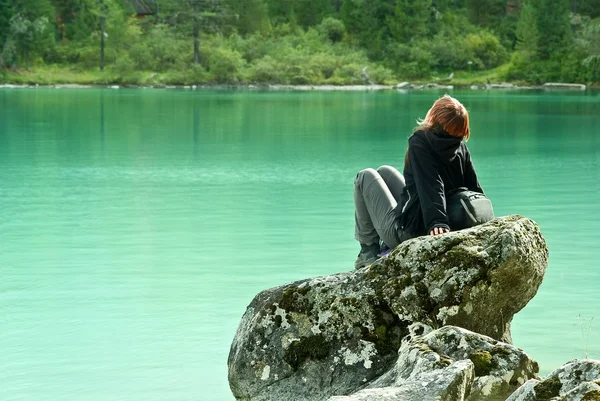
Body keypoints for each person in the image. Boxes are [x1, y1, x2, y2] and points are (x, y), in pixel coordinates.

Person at [353, 94, 484, 269]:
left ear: (434, 116)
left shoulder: (421, 142)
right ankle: (375, 247)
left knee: (364, 176)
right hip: (440, 216)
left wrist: (437, 222)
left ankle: (367, 252)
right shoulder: (460, 146)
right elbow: (473, 187)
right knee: (385, 171)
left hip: (409, 233)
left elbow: (432, 184)